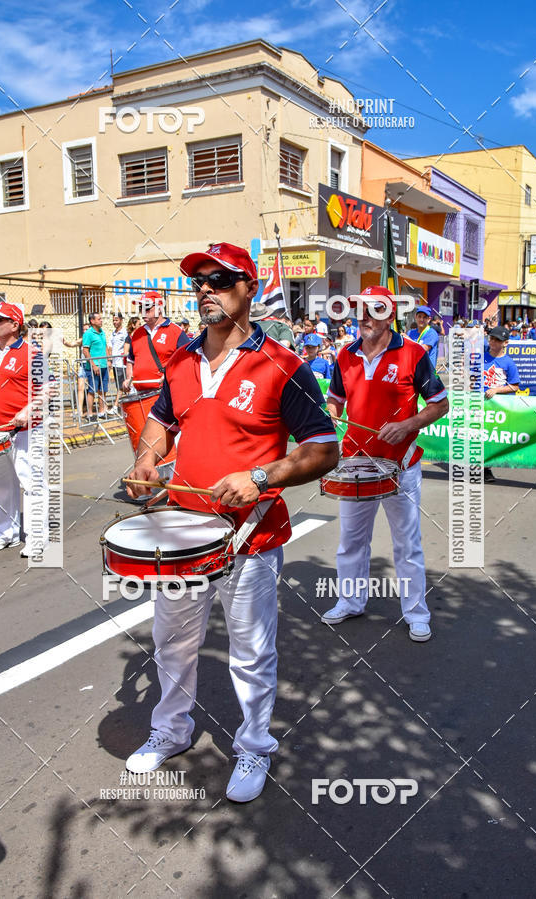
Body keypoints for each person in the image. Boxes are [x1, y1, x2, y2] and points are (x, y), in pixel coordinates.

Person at [125, 241, 338, 802]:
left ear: (249, 289)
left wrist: (262, 478)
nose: (205, 289)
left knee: (250, 650)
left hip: (251, 536)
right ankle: (171, 730)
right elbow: (160, 422)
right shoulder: (181, 360)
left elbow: (323, 449)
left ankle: (253, 745)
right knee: (171, 641)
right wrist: (148, 459)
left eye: (220, 280)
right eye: (199, 281)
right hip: (182, 531)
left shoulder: (283, 365)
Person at [323, 285, 449, 642]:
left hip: (401, 466)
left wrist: (408, 425)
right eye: (359, 309)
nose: (363, 316)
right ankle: (350, 600)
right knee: (350, 541)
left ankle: (415, 612)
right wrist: (332, 416)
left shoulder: (413, 353)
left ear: (389, 315)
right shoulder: (345, 356)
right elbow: (335, 400)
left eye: (372, 309)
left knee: (407, 543)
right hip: (356, 465)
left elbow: (440, 404)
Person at [0, 302, 48, 554]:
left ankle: (38, 537)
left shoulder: (31, 353)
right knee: (2, 486)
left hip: (25, 432)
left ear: (15, 325)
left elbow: (48, 388)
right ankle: (6, 532)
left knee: (32, 483)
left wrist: (28, 409)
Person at [123, 291, 190, 393]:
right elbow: (130, 361)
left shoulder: (175, 331)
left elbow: (188, 361)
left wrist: (170, 375)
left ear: (159, 308)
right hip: (140, 393)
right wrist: (128, 379)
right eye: (141, 308)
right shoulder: (137, 333)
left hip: (165, 393)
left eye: (147, 307)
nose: (143, 311)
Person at [482, 325, 520, 483]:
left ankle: (486, 469)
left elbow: (515, 386)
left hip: (496, 407)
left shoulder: (508, 363)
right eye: (491, 338)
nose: (493, 342)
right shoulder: (481, 357)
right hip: (478, 402)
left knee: (489, 437)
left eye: (497, 340)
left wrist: (496, 390)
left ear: (505, 343)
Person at [82, 312, 109, 418]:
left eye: (101, 318)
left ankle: (102, 411)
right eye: (99, 319)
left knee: (103, 390)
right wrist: (93, 364)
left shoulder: (102, 332)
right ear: (92, 321)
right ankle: (89, 413)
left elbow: (105, 346)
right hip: (94, 368)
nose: (101, 320)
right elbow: (85, 350)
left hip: (104, 366)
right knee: (92, 390)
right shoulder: (88, 334)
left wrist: (109, 360)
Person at [107, 312, 126, 411]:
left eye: (116, 320)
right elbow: (109, 347)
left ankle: (116, 405)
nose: (114, 322)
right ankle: (121, 404)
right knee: (119, 385)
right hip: (115, 363)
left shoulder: (125, 332)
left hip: (122, 364)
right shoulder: (113, 333)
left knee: (121, 386)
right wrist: (109, 360)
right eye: (113, 320)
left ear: (121, 320)